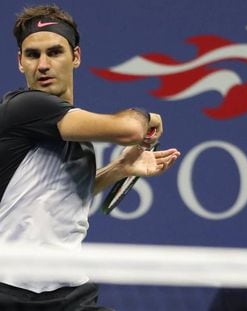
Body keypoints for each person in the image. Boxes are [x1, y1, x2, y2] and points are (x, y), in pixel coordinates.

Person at [0, 4, 180, 310]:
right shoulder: (23, 108)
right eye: (32, 55)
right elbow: (129, 130)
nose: (43, 64)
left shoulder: (78, 140)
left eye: (55, 52)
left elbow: (57, 199)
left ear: (76, 57)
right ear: (20, 62)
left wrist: (119, 169)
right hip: (11, 291)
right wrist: (147, 116)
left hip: (71, 293)